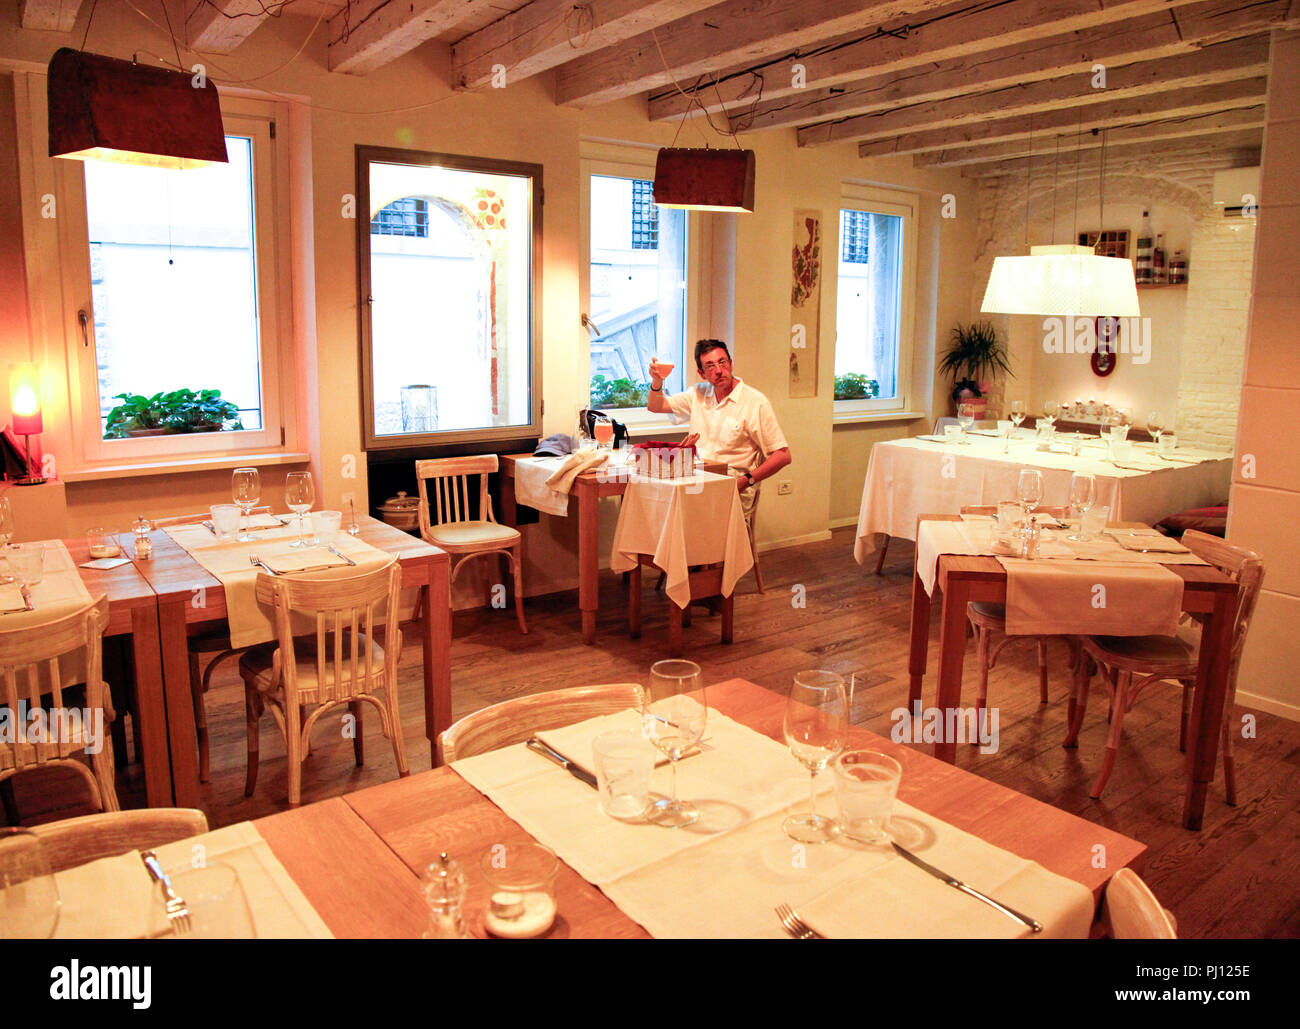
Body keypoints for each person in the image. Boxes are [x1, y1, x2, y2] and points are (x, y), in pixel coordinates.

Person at [646, 339, 791, 517]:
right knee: (656, 508)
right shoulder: (698, 393)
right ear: (702, 373)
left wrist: (746, 481)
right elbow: (656, 406)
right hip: (695, 481)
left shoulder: (755, 402)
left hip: (731, 487)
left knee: (681, 520)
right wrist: (656, 381)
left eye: (722, 362)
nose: (719, 370)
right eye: (710, 366)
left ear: (730, 363)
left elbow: (783, 455)